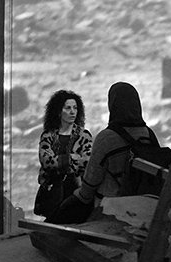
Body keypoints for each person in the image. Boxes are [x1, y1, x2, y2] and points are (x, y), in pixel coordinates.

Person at [50, 82, 163, 223]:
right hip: (143, 206)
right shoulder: (149, 134)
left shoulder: (107, 137)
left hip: (110, 208)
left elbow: (88, 189)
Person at [35, 90, 93, 217]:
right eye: (68, 108)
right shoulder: (48, 135)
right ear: (58, 111)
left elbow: (86, 161)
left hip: (75, 192)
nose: (72, 111)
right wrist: (73, 158)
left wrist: (59, 162)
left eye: (75, 108)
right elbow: (46, 161)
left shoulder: (84, 135)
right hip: (52, 192)